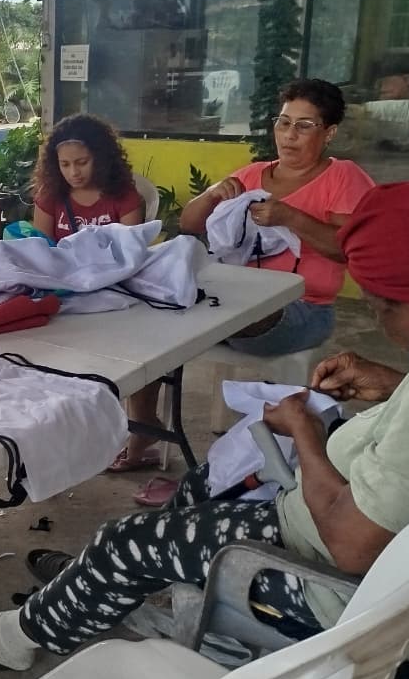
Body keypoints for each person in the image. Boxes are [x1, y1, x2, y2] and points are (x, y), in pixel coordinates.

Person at [0, 179, 409, 671]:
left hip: (350, 597)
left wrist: (304, 431)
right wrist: (399, 386)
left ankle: (18, 636)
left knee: (124, 539)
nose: (378, 317)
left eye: (381, 306)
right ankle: (117, 585)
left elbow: (351, 544)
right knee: (206, 483)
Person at [112, 79, 375, 484]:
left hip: (302, 312)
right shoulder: (253, 174)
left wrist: (291, 217)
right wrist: (214, 194)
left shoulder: (343, 177)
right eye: (283, 122)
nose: (289, 135)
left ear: (329, 133)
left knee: (193, 310)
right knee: (158, 311)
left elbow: (348, 248)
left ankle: (258, 455)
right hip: (230, 308)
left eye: (304, 125)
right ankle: (145, 430)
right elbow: (190, 224)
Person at [31, 113, 145, 243]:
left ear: (101, 158)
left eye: (82, 162)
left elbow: (130, 248)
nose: (74, 172)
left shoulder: (124, 195)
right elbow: (43, 249)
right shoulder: (49, 194)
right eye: (65, 164)